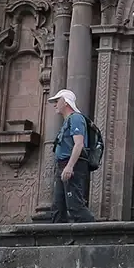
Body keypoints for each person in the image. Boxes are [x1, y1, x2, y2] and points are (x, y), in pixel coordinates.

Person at [47, 88, 95, 223]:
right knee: (58, 206)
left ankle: (96, 234)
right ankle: (58, 240)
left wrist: (69, 167)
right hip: (63, 166)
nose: (55, 104)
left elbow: (78, 144)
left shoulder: (76, 119)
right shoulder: (67, 121)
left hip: (72, 166)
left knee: (75, 206)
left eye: (57, 101)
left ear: (66, 102)